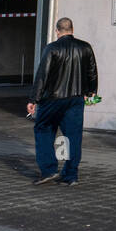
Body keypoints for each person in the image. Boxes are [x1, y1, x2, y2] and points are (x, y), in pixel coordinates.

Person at [28, 17, 98, 186]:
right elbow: (92, 72)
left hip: (52, 99)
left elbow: (42, 75)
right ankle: (71, 175)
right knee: (73, 136)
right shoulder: (85, 47)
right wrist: (91, 92)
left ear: (57, 31)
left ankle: (49, 170)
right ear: (72, 30)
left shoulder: (52, 48)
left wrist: (33, 99)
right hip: (76, 99)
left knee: (43, 129)